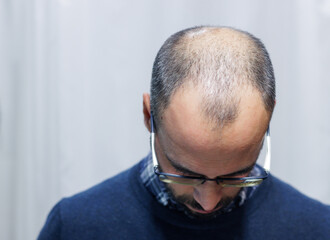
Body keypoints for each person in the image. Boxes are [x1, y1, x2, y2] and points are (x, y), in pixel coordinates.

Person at [38, 26, 330, 240]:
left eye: (235, 175)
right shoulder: (76, 226)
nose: (208, 201)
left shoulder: (317, 229)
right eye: (185, 174)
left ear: (268, 121)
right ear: (148, 116)